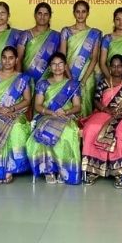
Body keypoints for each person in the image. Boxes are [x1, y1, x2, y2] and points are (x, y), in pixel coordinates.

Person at [80, 54, 122, 188]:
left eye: (119, 66)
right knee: (91, 127)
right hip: (104, 112)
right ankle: (93, 169)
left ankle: (119, 172)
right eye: (113, 66)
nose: (116, 69)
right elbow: (96, 99)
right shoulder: (103, 83)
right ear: (110, 68)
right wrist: (106, 109)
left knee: (121, 131)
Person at [0, 46, 33, 183]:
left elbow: (27, 100)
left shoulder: (23, 78)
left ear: (16, 60)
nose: (7, 61)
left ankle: (10, 168)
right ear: (1, 59)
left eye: (11, 58)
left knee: (17, 127)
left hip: (16, 112)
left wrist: (12, 109)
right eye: (4, 58)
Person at [27, 52, 83, 184]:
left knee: (68, 132)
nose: (57, 67)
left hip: (66, 117)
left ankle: (64, 169)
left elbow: (77, 107)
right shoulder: (42, 84)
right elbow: (37, 106)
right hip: (47, 116)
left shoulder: (73, 84)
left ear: (65, 66)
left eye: (60, 64)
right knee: (44, 132)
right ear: (49, 67)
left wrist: (65, 111)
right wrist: (50, 112)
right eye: (54, 64)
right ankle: (49, 170)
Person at [59, 0, 102, 117]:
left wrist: (83, 81)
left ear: (88, 13)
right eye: (77, 11)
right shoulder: (66, 31)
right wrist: (70, 78)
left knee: (86, 107)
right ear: (74, 13)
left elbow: (94, 59)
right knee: (68, 107)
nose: (80, 14)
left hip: (87, 77)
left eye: (83, 11)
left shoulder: (95, 33)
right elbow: (62, 57)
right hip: (68, 74)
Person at [17, 2, 61, 86]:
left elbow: (60, 60)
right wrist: (19, 80)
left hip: (48, 82)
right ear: (35, 15)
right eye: (39, 13)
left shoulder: (56, 36)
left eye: (46, 14)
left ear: (50, 16)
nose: (42, 17)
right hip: (27, 81)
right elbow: (19, 60)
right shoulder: (25, 34)